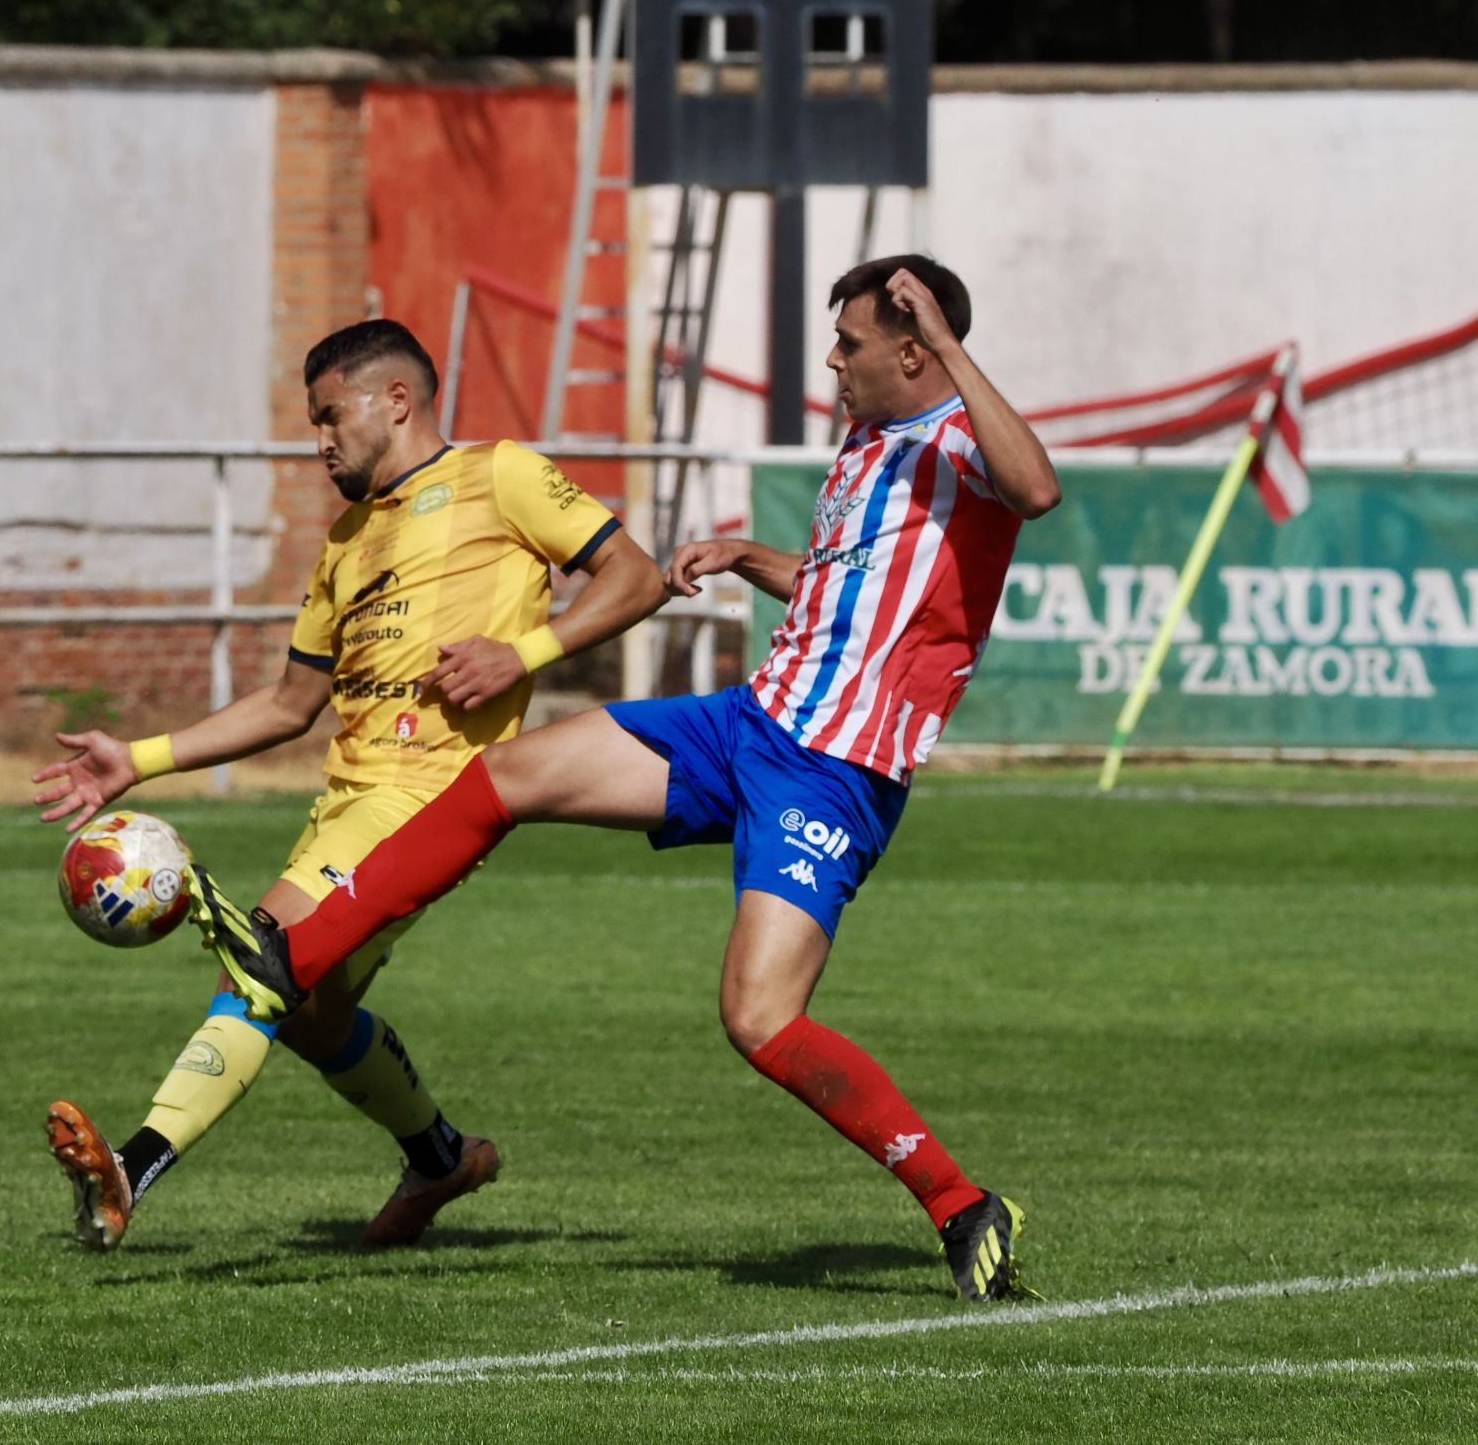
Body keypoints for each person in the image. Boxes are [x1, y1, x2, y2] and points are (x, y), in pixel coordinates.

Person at [190, 257, 1063, 1301]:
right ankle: (295, 954)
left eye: (851, 344)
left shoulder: (963, 437)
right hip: (747, 725)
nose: (833, 361)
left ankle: (963, 1206)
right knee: (509, 774)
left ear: (915, 352)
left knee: (760, 1018)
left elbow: (1038, 490)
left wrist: (956, 350)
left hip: (833, 771)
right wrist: (749, 557)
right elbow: (853, 594)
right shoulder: (869, 444)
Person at [33, 318, 666, 1253]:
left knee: (260, 961)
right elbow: (291, 703)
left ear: (396, 401)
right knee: (312, 1014)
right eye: (313, 423)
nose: (319, 441)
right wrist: (141, 757)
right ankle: (441, 1156)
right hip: (347, 802)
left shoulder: (501, 475)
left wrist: (523, 652)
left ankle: (132, 1166)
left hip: (430, 798)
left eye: (331, 416)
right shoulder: (345, 540)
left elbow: (638, 576)